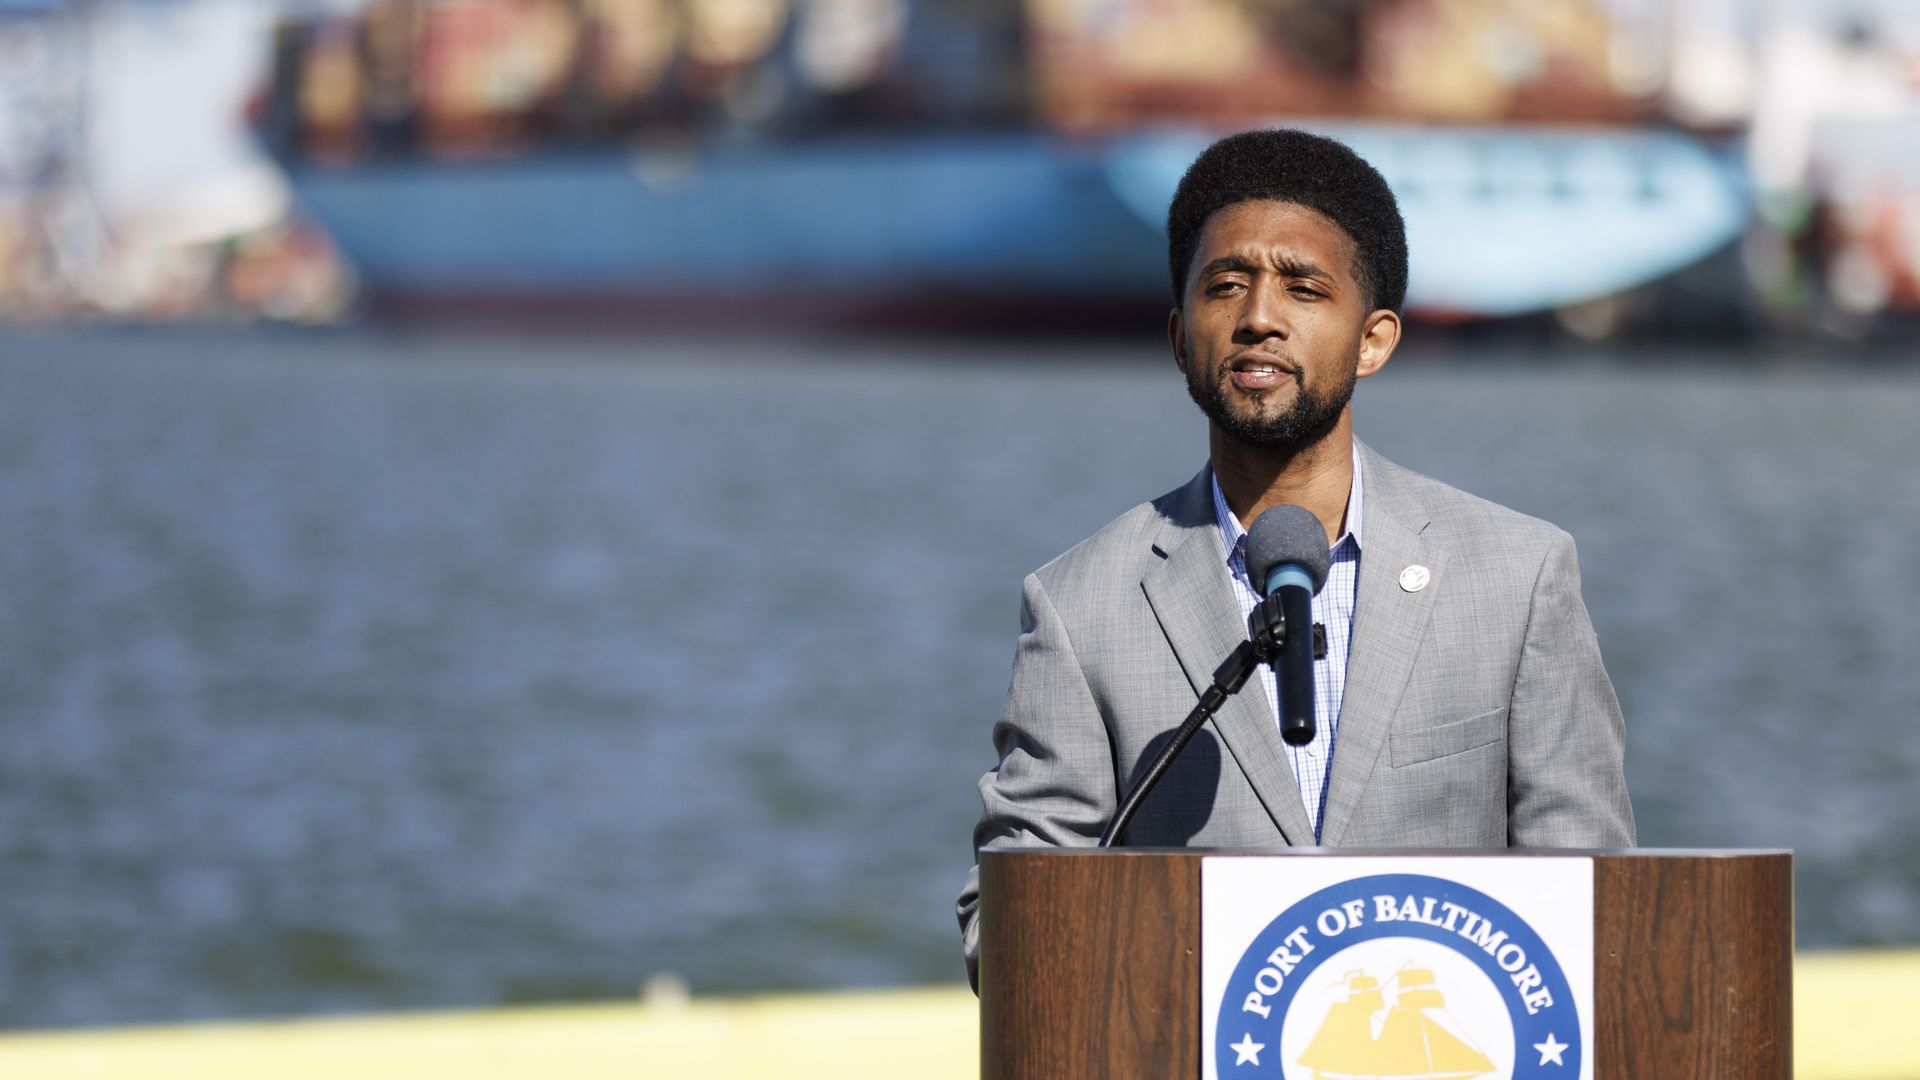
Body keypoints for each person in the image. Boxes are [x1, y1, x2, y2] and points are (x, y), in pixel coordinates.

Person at [955, 129, 1635, 987]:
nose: (1259, 317)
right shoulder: (1081, 605)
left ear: (1374, 340)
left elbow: (1599, 901)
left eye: (1304, 288)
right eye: (1225, 285)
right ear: (1178, 338)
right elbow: (1006, 922)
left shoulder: (1518, 576)